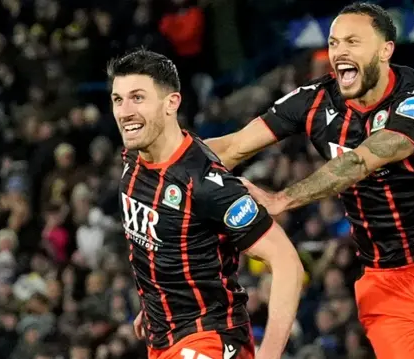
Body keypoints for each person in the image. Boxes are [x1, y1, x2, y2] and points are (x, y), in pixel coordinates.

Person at [205, 2, 414, 359]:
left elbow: (362, 160)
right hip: (382, 286)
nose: (339, 52)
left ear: (385, 50)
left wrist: (283, 199)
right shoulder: (315, 100)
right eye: (335, 42)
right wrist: (164, 152)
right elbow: (233, 146)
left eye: (352, 41)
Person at [108, 49, 304, 359]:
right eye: (118, 100)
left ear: (171, 102)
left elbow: (287, 263)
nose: (124, 111)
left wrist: (269, 353)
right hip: (162, 338)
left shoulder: (207, 184)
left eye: (137, 98)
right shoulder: (134, 156)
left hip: (209, 340)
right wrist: (157, 301)